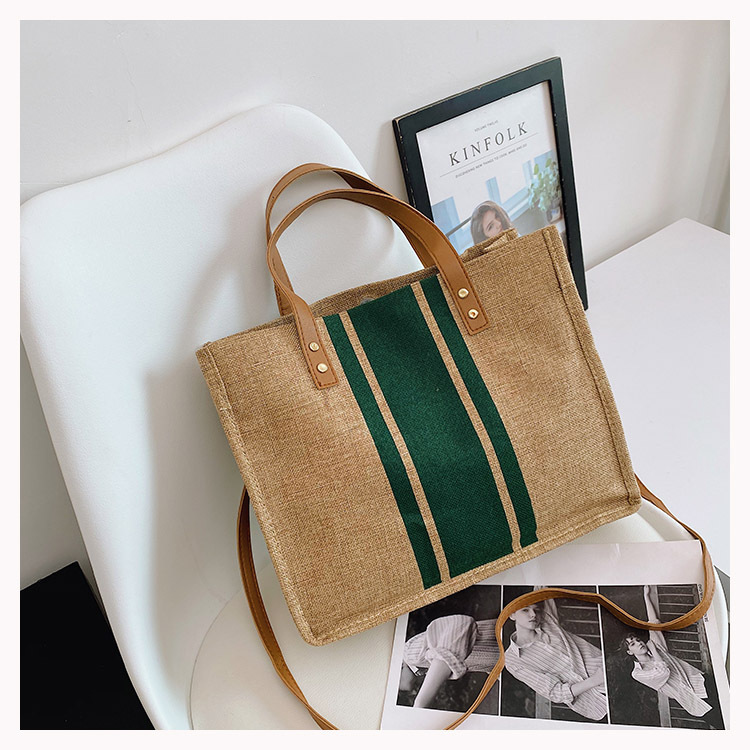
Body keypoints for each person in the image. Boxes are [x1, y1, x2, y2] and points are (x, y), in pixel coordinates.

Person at [504, 598, 607, 720]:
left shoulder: (547, 621)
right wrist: (595, 680)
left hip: (610, 668)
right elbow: (555, 692)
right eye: (525, 610)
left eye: (536, 610)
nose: (533, 614)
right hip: (598, 702)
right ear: (512, 614)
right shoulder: (512, 660)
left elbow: (542, 589)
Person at [622, 585, 714, 721]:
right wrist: (654, 650)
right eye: (632, 644)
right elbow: (663, 672)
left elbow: (653, 623)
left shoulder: (657, 647)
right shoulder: (638, 673)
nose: (639, 643)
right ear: (629, 652)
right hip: (696, 703)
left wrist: (646, 597)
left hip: (702, 681)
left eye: (638, 640)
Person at [401, 613, 499, 709]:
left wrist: (420, 703)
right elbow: (473, 658)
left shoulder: (409, 654)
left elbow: (460, 623)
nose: (400, 691)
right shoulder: (419, 665)